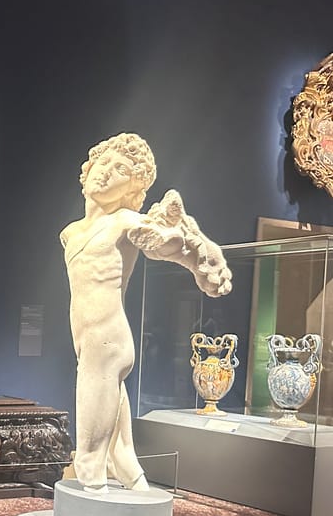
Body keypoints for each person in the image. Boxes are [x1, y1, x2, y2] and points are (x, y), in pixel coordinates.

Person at [60, 133, 233, 494]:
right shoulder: (71, 232)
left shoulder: (125, 221)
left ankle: (92, 491)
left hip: (107, 340)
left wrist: (194, 251)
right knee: (120, 449)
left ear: (132, 186)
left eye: (120, 169)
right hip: (87, 341)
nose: (105, 173)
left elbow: (164, 244)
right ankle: (132, 478)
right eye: (103, 162)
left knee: (89, 457)